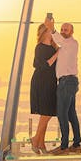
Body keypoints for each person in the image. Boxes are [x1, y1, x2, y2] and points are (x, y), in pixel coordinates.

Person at [45, 17, 81, 155]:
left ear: (72, 32)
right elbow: (59, 41)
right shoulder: (66, 46)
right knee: (71, 114)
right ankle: (76, 144)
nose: (63, 31)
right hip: (69, 82)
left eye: (66, 29)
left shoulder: (71, 43)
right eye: (62, 29)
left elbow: (59, 40)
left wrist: (51, 28)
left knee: (62, 114)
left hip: (67, 82)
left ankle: (64, 146)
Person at [29, 24, 59, 154]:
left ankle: (40, 142)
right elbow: (42, 65)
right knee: (46, 113)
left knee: (48, 112)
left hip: (51, 81)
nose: (52, 32)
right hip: (41, 82)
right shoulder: (40, 47)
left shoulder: (53, 47)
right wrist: (57, 53)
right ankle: (36, 139)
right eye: (50, 30)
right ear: (44, 32)